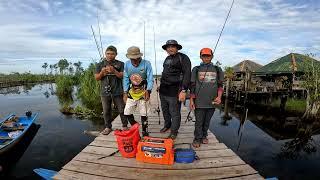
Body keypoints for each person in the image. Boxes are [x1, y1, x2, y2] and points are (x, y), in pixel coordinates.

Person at [189, 48, 224, 148]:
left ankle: (204, 135)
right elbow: (192, 86)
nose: (206, 58)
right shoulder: (196, 69)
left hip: (212, 102)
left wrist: (219, 97)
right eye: (204, 56)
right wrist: (191, 100)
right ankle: (197, 138)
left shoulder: (217, 69)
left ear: (212, 56)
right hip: (199, 102)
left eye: (208, 56)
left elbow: (220, 85)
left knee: (207, 121)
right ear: (200, 57)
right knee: (199, 122)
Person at [159, 40, 191, 139]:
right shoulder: (167, 58)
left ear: (177, 48)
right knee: (165, 110)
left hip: (175, 91)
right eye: (168, 47)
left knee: (174, 112)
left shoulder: (183, 58)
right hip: (163, 90)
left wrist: (184, 90)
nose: (170, 48)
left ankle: (174, 131)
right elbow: (165, 73)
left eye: (173, 46)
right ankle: (167, 125)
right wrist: (160, 85)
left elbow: (187, 75)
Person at [95, 45, 127, 135]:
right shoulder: (100, 64)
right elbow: (97, 78)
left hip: (118, 91)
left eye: (112, 54)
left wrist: (114, 71)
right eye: (108, 53)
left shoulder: (121, 64)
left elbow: (122, 76)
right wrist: (102, 72)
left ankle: (124, 126)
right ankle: (108, 127)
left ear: (116, 54)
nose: (110, 55)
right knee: (106, 111)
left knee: (121, 109)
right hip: (105, 92)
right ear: (105, 54)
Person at [123, 46, 154, 136]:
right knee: (127, 112)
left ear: (140, 56)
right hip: (132, 91)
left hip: (143, 91)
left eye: (137, 59)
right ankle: (135, 124)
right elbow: (125, 78)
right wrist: (125, 92)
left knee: (144, 113)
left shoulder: (147, 63)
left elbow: (150, 78)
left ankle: (144, 131)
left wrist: (148, 90)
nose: (135, 61)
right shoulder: (127, 64)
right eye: (132, 59)